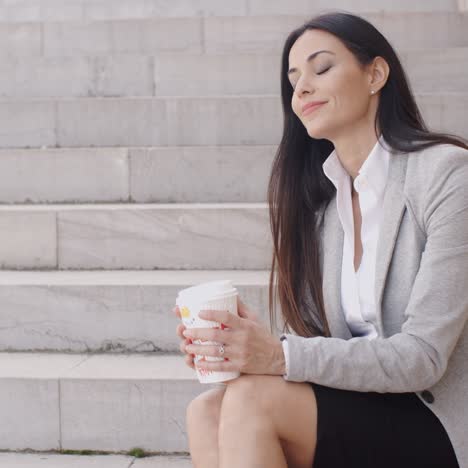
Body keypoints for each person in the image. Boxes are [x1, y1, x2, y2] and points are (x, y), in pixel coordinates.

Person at [174, 11, 468, 468]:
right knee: (207, 410)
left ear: (375, 73)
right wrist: (240, 348)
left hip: (436, 418)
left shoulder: (446, 175)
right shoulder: (324, 208)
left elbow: (424, 357)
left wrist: (279, 355)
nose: (302, 88)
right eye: (293, 79)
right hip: (366, 405)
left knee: (253, 400)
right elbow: (320, 343)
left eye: (321, 67)